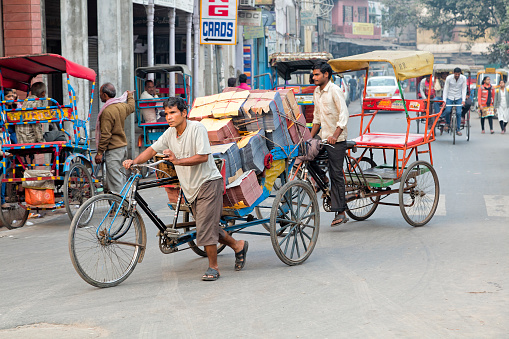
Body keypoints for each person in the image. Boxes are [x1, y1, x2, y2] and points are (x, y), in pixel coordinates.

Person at [122, 97, 248, 281]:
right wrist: (134, 161)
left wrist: (177, 161)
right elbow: (151, 150)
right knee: (208, 227)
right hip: (190, 188)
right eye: (166, 114)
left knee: (205, 227)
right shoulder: (169, 133)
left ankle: (213, 267)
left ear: (183, 113)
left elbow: (203, 157)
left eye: (172, 113)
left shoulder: (197, 129)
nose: (169, 117)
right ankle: (238, 245)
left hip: (208, 182)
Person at [309, 61, 349, 226]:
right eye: (313, 74)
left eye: (317, 74)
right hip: (323, 136)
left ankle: (341, 211)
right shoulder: (316, 92)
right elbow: (317, 119)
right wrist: (308, 139)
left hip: (336, 139)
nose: (314, 77)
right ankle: (323, 179)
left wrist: (335, 135)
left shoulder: (335, 90)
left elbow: (344, 115)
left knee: (336, 174)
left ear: (326, 74)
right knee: (306, 154)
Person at [95, 83, 135, 194]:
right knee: (120, 180)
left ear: (104, 95)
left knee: (116, 183)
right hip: (123, 149)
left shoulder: (107, 111)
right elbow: (131, 107)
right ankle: (119, 208)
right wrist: (130, 96)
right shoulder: (121, 106)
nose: (99, 96)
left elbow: (106, 135)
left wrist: (99, 152)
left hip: (113, 151)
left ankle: (121, 209)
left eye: (100, 94)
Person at [442, 67, 467, 136]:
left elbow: (464, 89)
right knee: (447, 111)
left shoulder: (463, 78)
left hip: (458, 97)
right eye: (456, 74)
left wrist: (463, 100)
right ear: (453, 73)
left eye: (458, 74)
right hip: (450, 97)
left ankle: (458, 129)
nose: (457, 76)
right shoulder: (449, 78)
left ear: (460, 73)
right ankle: (447, 123)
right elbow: (446, 89)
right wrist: (444, 100)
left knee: (459, 113)